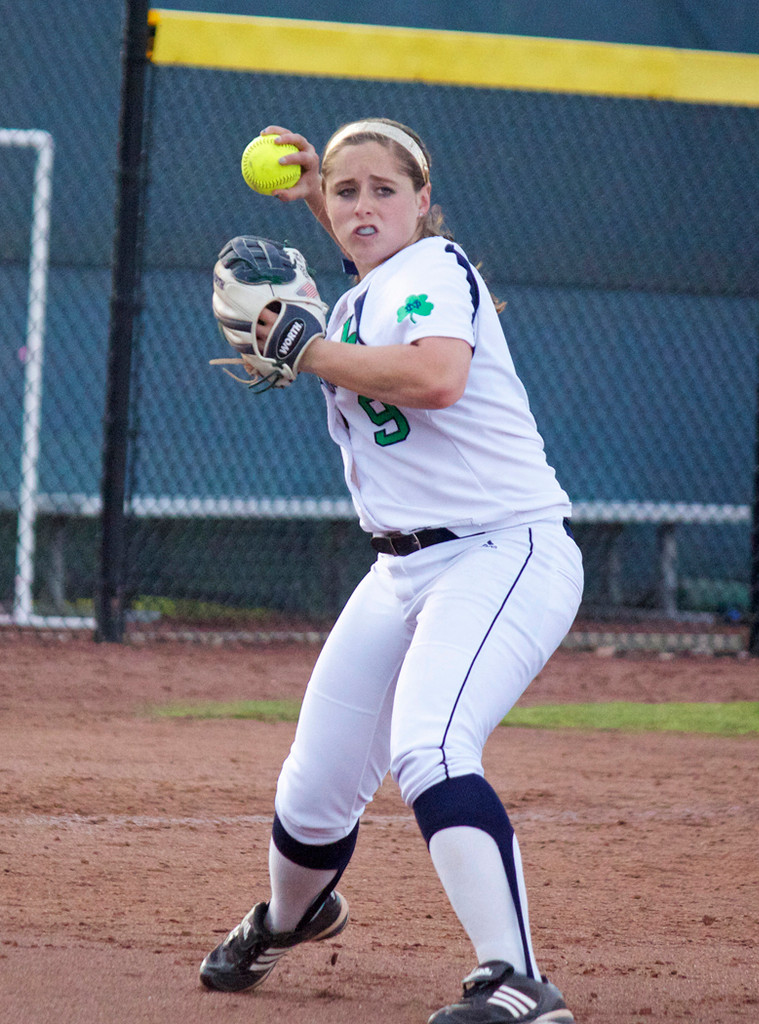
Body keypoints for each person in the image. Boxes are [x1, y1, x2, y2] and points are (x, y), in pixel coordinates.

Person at [199, 117, 584, 1024]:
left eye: (385, 189)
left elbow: (437, 377)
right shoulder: (358, 297)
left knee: (431, 746)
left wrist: (307, 348)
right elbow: (360, 306)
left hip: (502, 549)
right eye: (346, 192)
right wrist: (321, 225)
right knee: (314, 783)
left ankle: (517, 981)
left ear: (424, 201)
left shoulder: (437, 267)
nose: (365, 204)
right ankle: (292, 918)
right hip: (400, 570)